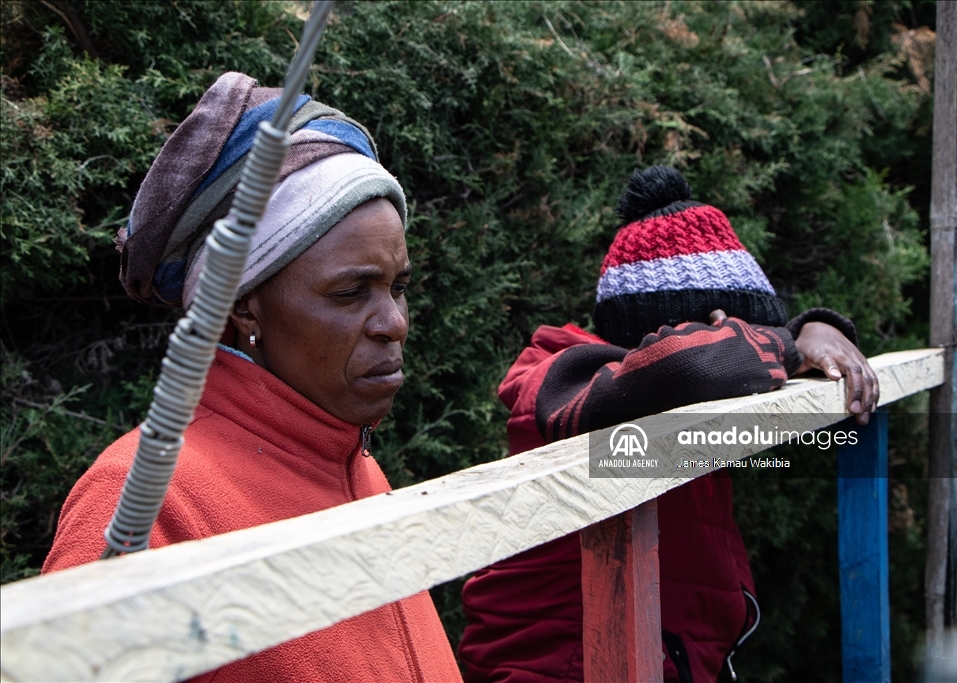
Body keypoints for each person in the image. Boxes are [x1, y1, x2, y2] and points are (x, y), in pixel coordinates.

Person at [43, 72, 461, 682]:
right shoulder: (150, 503)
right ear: (242, 306)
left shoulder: (359, 471)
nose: (393, 323)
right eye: (350, 293)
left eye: (398, 288)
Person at [459, 166, 879, 683]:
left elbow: (700, 365)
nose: (755, 346)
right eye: (744, 330)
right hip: (564, 667)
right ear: (712, 326)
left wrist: (815, 329)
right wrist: (791, 344)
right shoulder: (564, 378)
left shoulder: (649, 389)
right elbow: (689, 366)